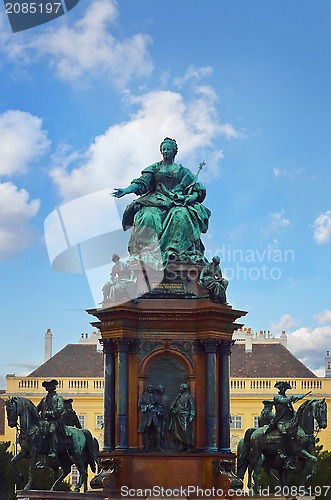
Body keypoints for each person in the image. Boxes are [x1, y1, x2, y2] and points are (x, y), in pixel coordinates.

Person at [112, 138, 211, 269]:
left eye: (168, 149)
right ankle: (148, 255)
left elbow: (198, 190)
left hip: (177, 204)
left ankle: (174, 253)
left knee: (181, 215)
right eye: (163, 149)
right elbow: (141, 183)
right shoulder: (155, 168)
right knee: (148, 216)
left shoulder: (183, 171)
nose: (165, 152)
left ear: (175, 152)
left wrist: (189, 198)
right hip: (155, 201)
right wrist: (126, 190)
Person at [266, 381, 307, 468]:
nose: (284, 390)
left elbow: (291, 409)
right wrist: (295, 397)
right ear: (280, 389)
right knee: (284, 433)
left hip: (289, 421)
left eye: (285, 389)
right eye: (284, 388)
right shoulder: (277, 397)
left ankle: (293, 454)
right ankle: (280, 452)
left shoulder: (287, 398)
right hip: (280, 421)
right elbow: (284, 401)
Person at [37, 379, 65, 458]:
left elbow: (60, 409)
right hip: (44, 421)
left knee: (51, 431)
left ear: (54, 387)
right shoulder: (44, 399)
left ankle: (53, 451)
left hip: (55, 420)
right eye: (47, 386)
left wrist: (50, 413)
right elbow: (37, 409)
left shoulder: (58, 398)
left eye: (50, 386)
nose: (48, 388)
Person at [169, 383, 195, 451]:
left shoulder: (189, 396)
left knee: (185, 430)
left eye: (181, 387)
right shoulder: (179, 397)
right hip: (177, 416)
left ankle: (189, 445)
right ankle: (183, 444)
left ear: (185, 389)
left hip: (185, 416)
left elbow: (192, 407)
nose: (179, 389)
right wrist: (174, 410)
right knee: (177, 430)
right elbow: (174, 406)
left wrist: (191, 415)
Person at [138, 384, 164, 452]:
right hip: (147, 416)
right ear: (147, 388)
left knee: (158, 430)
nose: (150, 389)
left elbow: (161, 405)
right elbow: (139, 405)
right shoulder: (143, 397)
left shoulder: (156, 397)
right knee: (146, 430)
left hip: (155, 416)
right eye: (149, 387)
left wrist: (159, 410)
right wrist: (146, 407)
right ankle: (146, 446)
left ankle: (158, 446)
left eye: (152, 387)